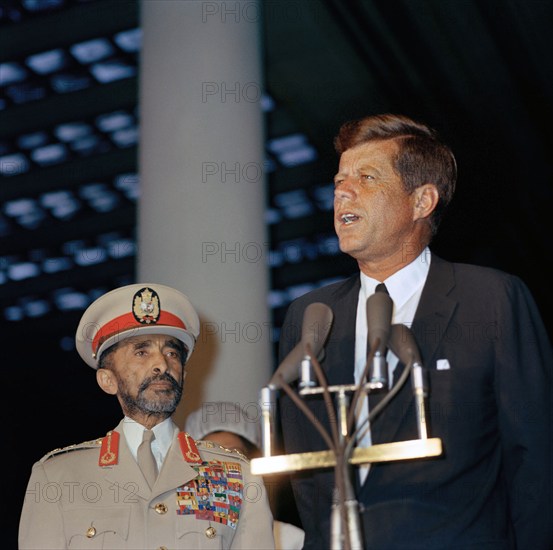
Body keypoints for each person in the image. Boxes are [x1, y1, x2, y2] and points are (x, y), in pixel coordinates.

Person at [278, 114, 553, 549]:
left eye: (366, 177)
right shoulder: (310, 316)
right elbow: (308, 477)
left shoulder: (492, 299)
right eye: (339, 181)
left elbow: (536, 461)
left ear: (422, 202)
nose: (342, 192)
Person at [19, 283, 275, 550]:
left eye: (171, 353)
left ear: (184, 375)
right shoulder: (58, 477)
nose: (161, 364)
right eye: (142, 352)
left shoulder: (236, 474)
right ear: (108, 380)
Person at [185, 401, 306, 550]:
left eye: (232, 455)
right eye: (209, 457)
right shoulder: (177, 537)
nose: (221, 468)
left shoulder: (290, 540)